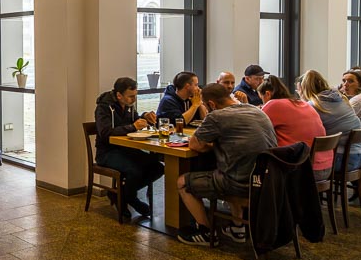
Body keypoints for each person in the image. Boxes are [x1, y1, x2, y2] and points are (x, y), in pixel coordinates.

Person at [176, 82, 278, 246]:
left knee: (182, 182)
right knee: (231, 166)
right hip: (269, 181)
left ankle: (206, 232)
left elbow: (194, 145)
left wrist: (211, 144)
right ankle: (237, 228)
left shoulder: (217, 116)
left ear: (211, 104)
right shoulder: (255, 110)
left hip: (239, 184)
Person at [92, 77, 162, 219]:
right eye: (130, 96)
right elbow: (105, 133)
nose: (133, 100)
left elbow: (134, 120)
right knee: (134, 171)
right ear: (119, 95)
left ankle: (120, 194)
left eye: (135, 96)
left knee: (158, 167)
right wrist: (132, 127)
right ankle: (131, 199)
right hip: (107, 152)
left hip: (127, 149)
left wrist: (144, 117)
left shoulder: (128, 106)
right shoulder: (104, 108)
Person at [257, 75, 330, 180]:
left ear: (267, 94)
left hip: (304, 171)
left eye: (262, 98)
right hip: (325, 166)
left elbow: (257, 127)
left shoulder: (273, 104)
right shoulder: (302, 103)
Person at [297, 70, 361, 170]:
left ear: (304, 90)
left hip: (341, 159)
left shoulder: (314, 106)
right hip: (359, 156)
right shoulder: (341, 99)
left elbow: (303, 133)